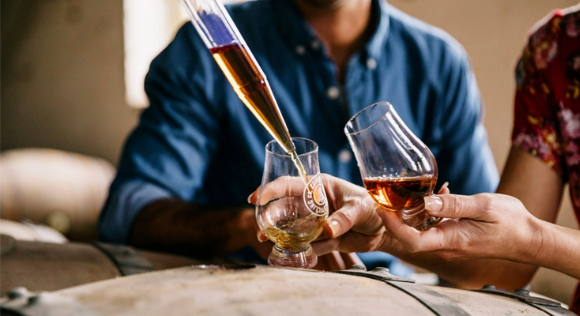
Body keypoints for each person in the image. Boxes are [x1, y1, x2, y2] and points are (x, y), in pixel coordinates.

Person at [98, 0, 498, 270]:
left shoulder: (439, 63)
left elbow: (490, 249)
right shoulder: (206, 49)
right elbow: (128, 213)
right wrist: (250, 227)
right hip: (248, 295)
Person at [302, 0, 580, 314]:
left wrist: (537, 239)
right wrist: (381, 229)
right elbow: (507, 267)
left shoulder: (437, 59)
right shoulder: (562, 47)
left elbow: (524, 242)